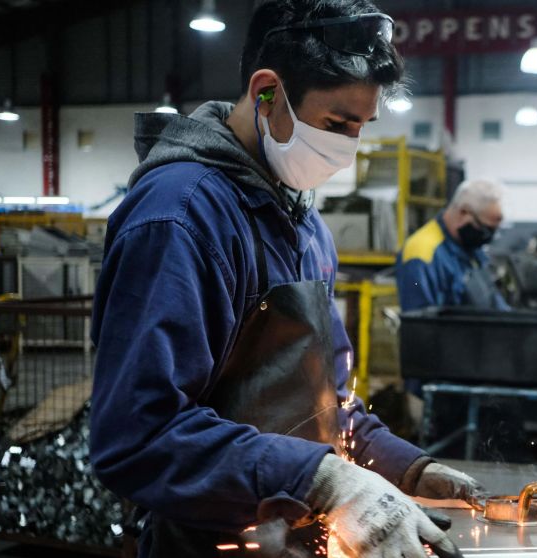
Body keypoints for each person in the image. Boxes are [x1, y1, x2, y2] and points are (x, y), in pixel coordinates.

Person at [88, 1, 486, 556]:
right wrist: (320, 480)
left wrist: (409, 468)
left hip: (302, 537)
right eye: (336, 124)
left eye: (361, 128)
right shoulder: (180, 217)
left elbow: (326, 403)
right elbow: (138, 435)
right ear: (268, 91)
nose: (347, 151)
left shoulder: (303, 223)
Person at [396, 179, 510, 312]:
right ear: (463, 213)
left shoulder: (470, 248)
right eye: (485, 230)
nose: (488, 238)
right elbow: (420, 322)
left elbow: (493, 302)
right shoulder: (421, 253)